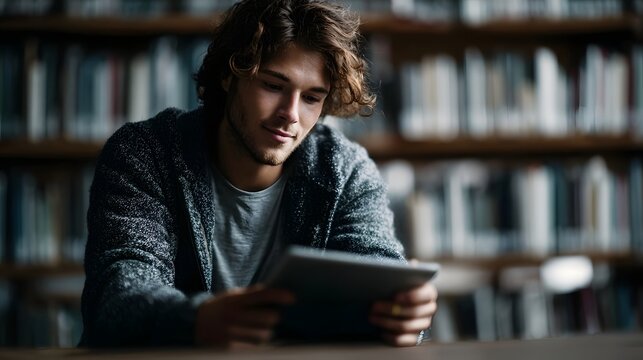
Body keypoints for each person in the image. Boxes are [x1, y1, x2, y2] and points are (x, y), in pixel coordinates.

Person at [80, 0, 437, 348]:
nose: (291, 114)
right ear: (227, 75)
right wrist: (197, 321)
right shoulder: (146, 153)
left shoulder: (345, 170)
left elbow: (374, 269)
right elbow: (118, 292)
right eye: (273, 85)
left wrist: (401, 315)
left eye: (312, 97)